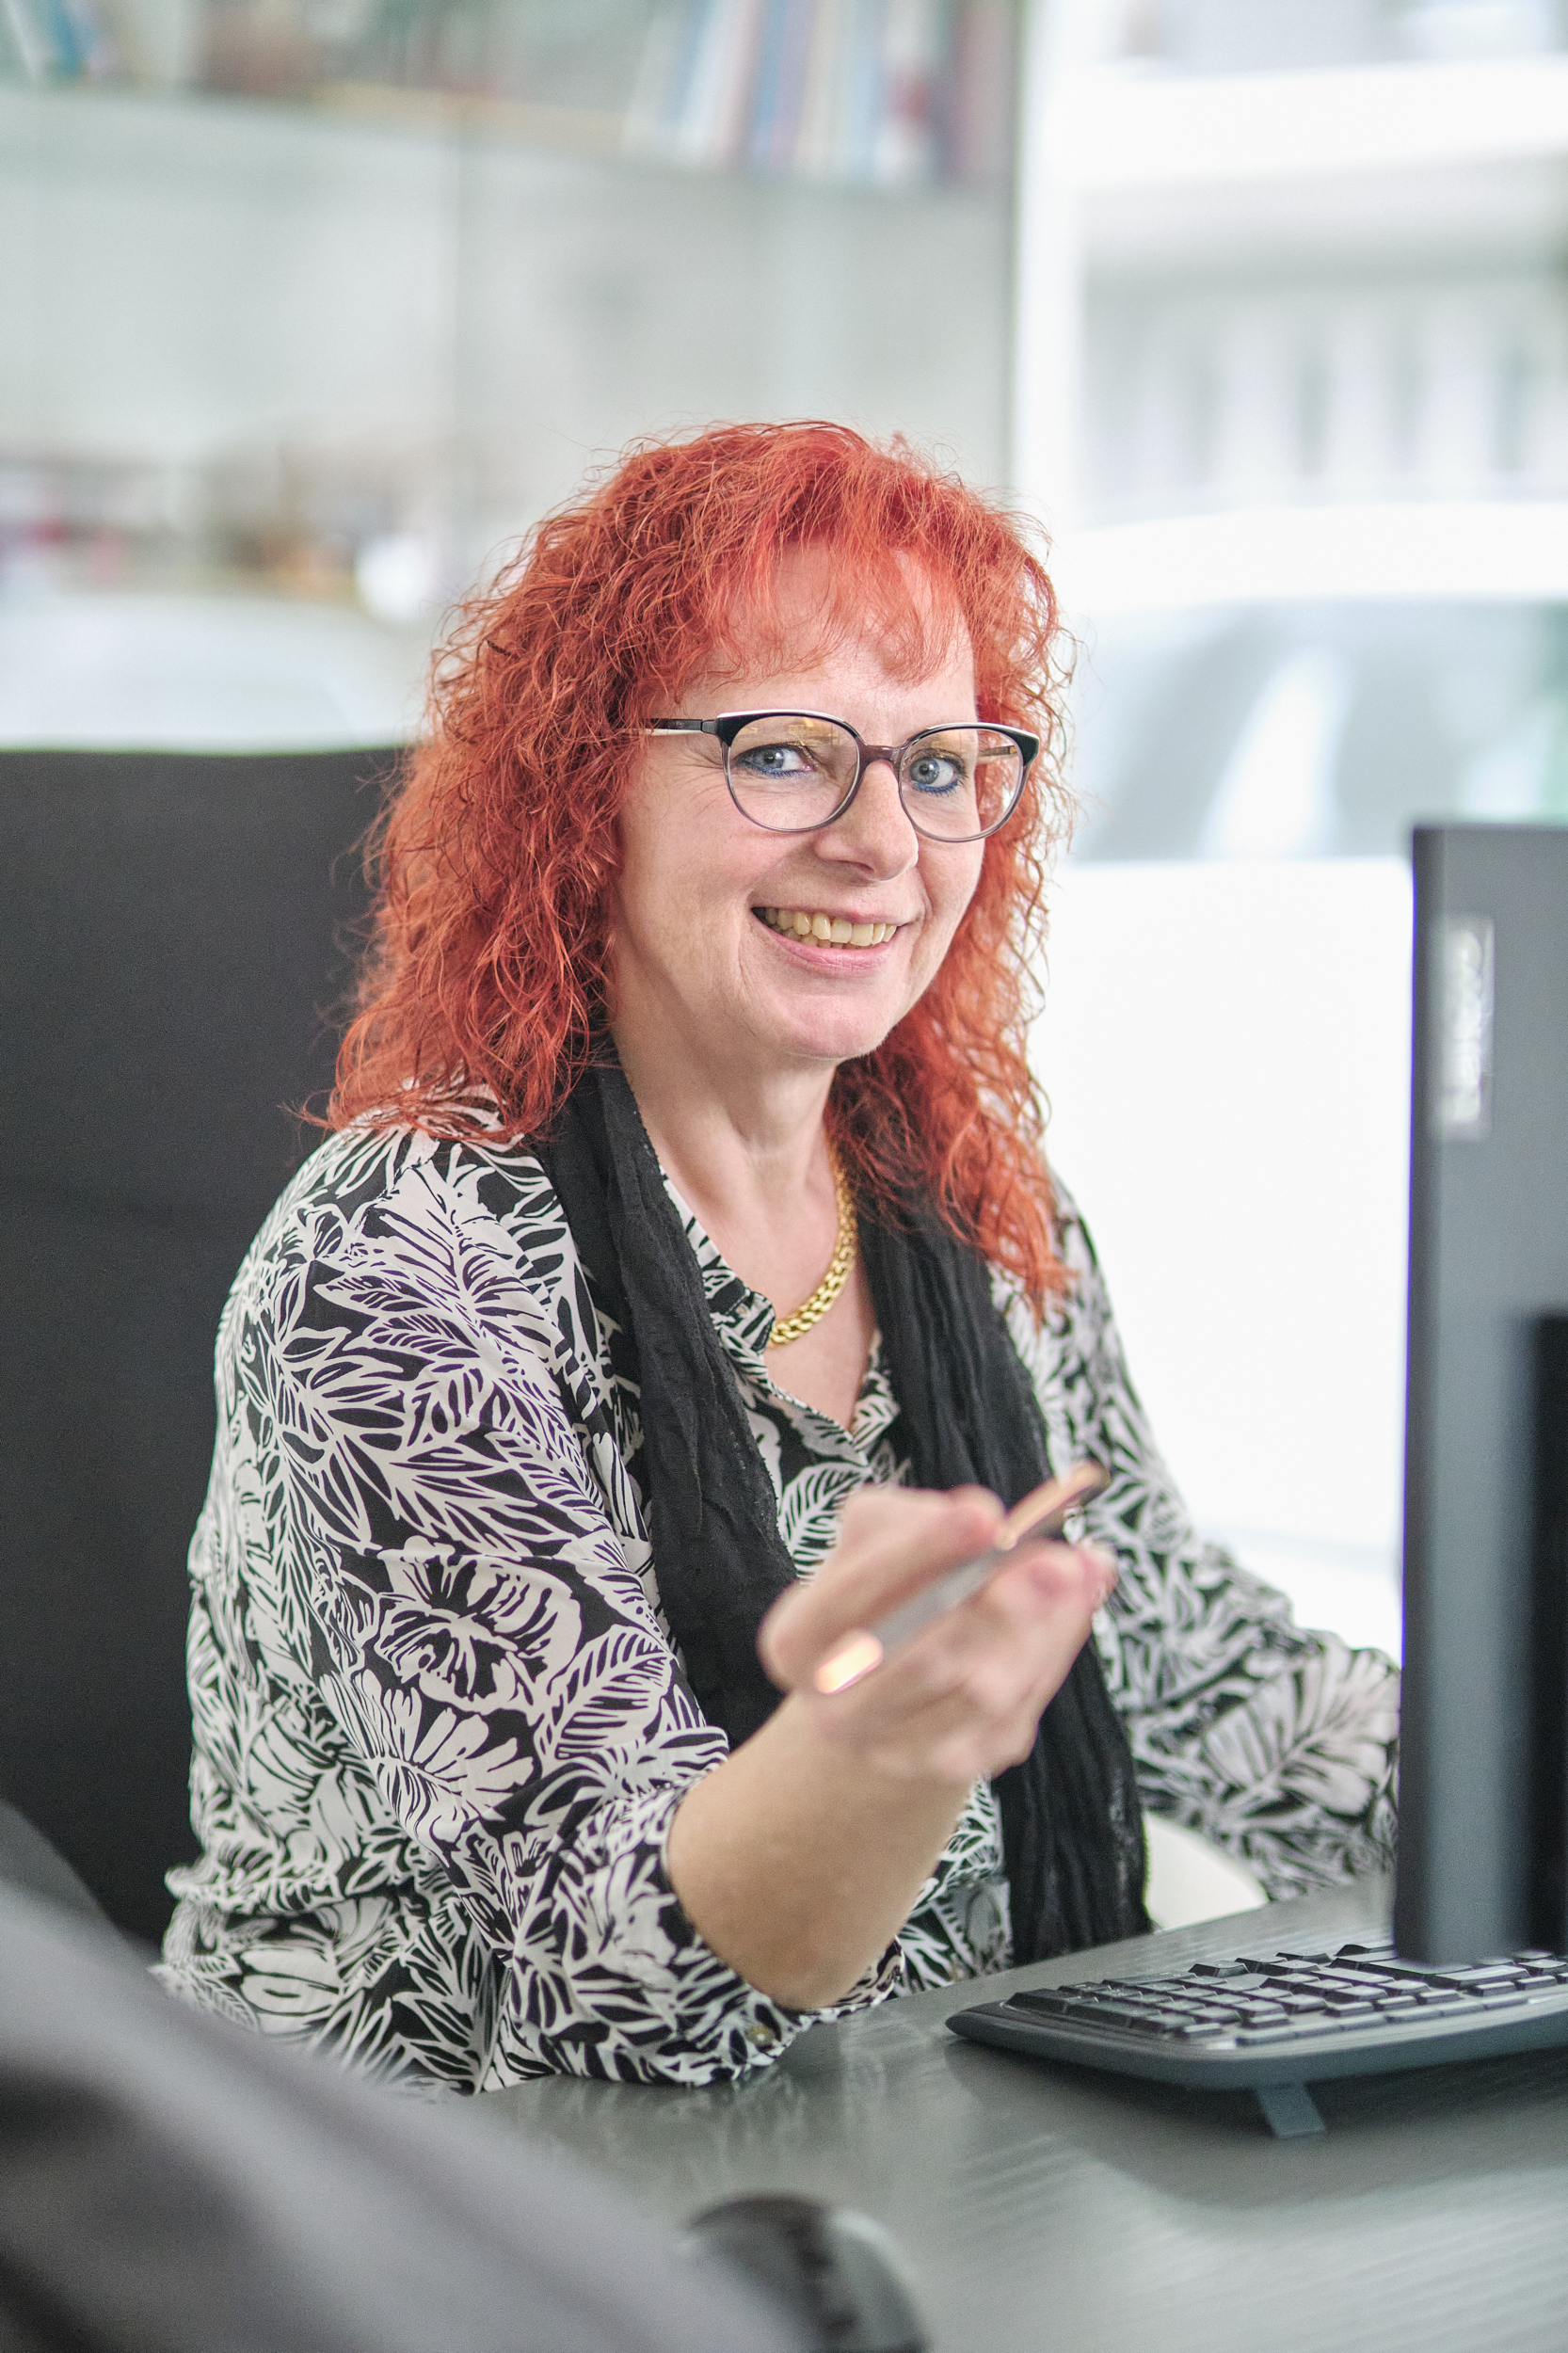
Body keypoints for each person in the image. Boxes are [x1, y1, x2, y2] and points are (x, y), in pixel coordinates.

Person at [160, 422, 1399, 2091]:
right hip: (434, 2187)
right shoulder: (406, 1260)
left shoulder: (977, 1206)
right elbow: (613, 1988)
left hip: (918, 2128)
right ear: (585, 786)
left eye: (940, 766)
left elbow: (1200, 1675)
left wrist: (1512, 1774)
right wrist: (880, 1745)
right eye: (787, 753)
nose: (883, 842)